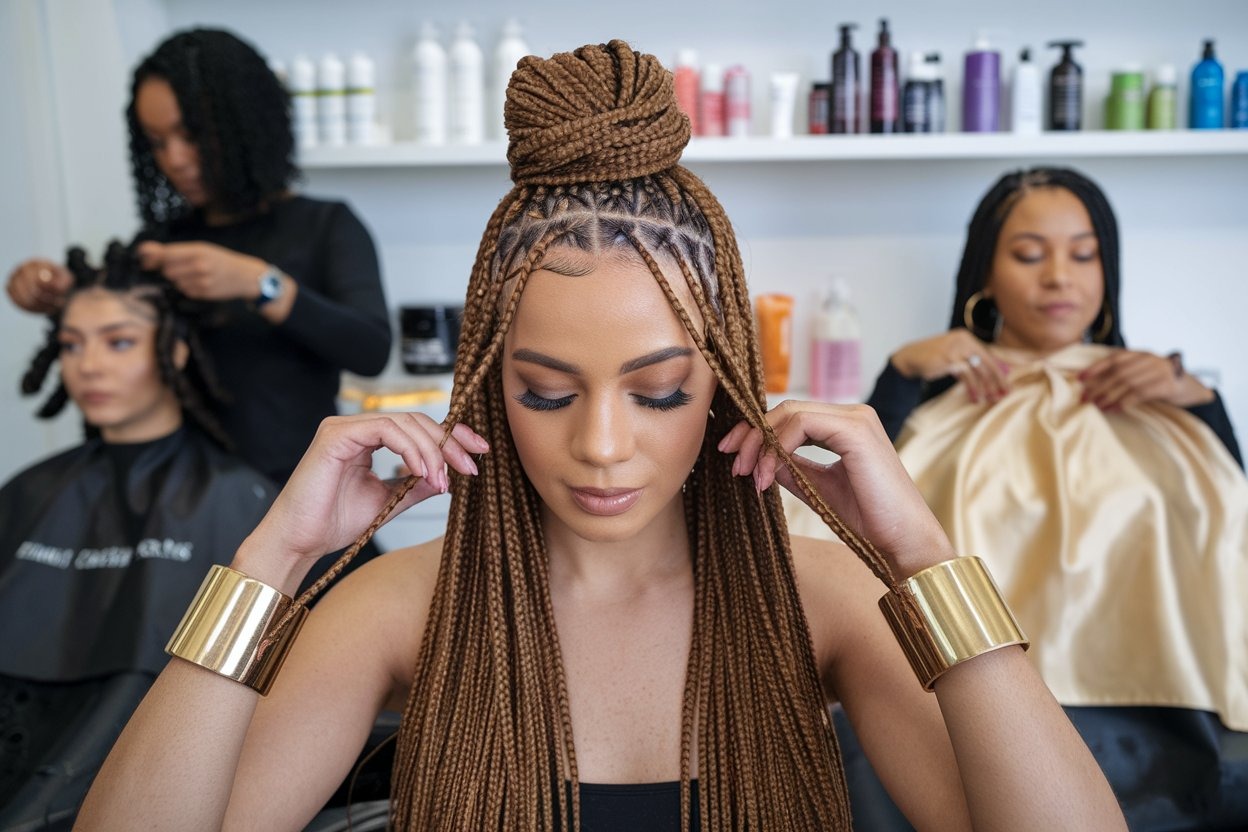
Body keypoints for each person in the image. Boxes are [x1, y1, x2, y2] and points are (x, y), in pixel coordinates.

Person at [76, 43, 1126, 831]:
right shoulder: (401, 609)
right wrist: (273, 559)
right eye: (544, 393)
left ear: (724, 384)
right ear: (486, 388)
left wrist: (921, 557)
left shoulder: (819, 603)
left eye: (659, 392)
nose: (603, 446)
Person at [795, 167, 1247, 830]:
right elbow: (843, 518)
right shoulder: (934, 408)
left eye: (1083, 255)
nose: (1059, 277)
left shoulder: (1165, 397)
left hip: (1161, 723)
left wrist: (1202, 403)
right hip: (954, 712)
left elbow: (1232, 529)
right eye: (1031, 255)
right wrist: (902, 375)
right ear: (985, 272)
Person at [5, 28, 392, 486]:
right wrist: (65, 295)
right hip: (182, 497)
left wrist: (260, 284)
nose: (175, 159)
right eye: (157, 142)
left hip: (300, 493)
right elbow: (122, 334)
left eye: (191, 135)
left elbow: (370, 350)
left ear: (242, 123)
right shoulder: (161, 243)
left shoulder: (325, 226)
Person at [0, 243, 274, 829]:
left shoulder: (237, 498)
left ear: (173, 350)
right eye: (71, 344)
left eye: (118, 342)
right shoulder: (29, 492)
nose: (89, 366)